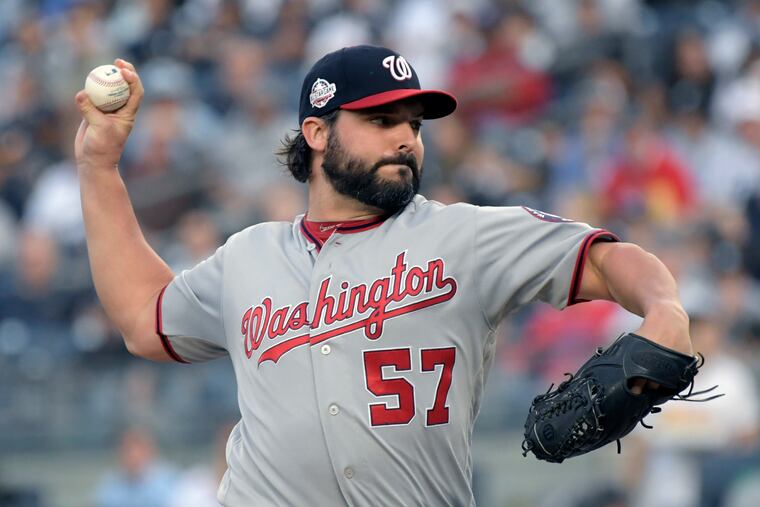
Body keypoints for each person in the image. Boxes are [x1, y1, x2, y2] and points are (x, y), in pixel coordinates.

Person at [74, 45, 694, 506]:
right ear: (315, 133)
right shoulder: (247, 257)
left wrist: (665, 308)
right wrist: (100, 167)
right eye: (381, 121)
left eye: (415, 124)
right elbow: (143, 318)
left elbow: (608, 259)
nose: (406, 139)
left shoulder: (463, 236)